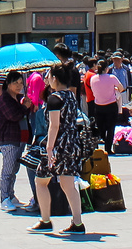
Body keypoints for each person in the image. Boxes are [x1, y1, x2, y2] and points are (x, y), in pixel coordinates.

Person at [29, 61, 87, 237]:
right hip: (72, 143)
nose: (46, 79)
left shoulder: (55, 98)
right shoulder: (70, 96)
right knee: (69, 184)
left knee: (41, 181)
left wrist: (49, 147)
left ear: (55, 78)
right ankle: (77, 222)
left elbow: (54, 126)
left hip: (57, 145)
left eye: (48, 76)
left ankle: (45, 220)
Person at [0, 70, 29, 212]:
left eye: (21, 82)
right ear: (8, 83)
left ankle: (11, 195)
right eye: (16, 82)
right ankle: (4, 198)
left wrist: (24, 105)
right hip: (8, 138)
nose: (19, 85)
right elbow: (14, 116)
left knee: (14, 169)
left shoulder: (17, 98)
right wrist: (24, 107)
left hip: (19, 137)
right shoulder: (4, 99)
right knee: (7, 170)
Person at [87, 53, 123, 154]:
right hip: (111, 105)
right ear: (107, 68)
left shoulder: (93, 78)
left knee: (101, 126)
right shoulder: (112, 77)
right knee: (111, 128)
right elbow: (122, 88)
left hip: (98, 105)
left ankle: (101, 141)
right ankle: (108, 148)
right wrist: (114, 88)